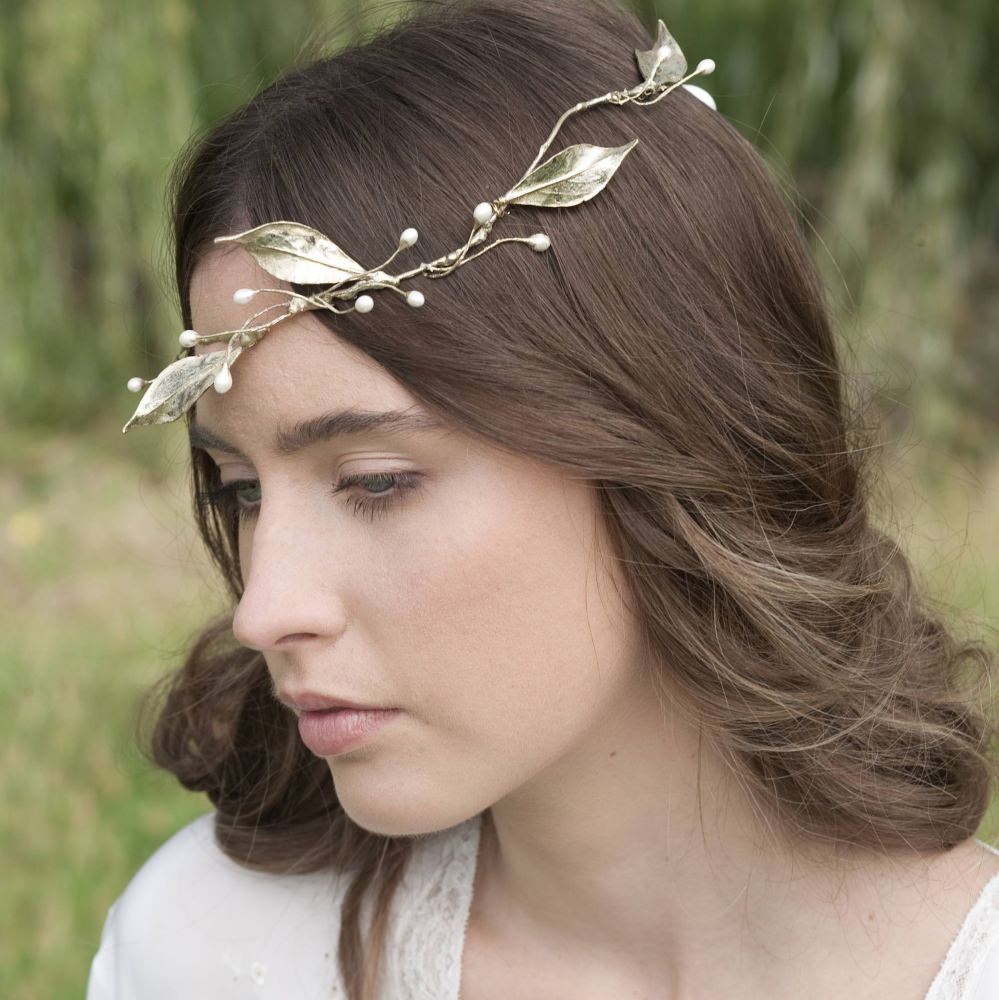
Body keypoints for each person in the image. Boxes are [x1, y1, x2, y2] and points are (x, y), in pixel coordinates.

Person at [87, 0, 999, 997]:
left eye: (376, 482)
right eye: (242, 490)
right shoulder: (208, 948)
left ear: (666, 442)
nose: (264, 610)